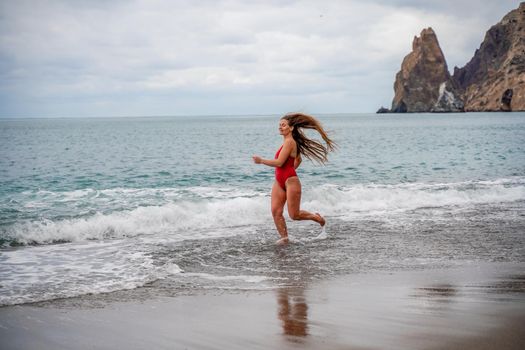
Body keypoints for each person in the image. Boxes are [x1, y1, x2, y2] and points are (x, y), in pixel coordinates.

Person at [252, 113, 336, 244]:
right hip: (280, 181)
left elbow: (279, 162)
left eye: (283, 125)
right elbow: (298, 159)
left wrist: (262, 160)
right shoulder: (287, 142)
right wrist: (288, 170)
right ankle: (285, 239)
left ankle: (317, 218)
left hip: (290, 182)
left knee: (294, 215)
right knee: (276, 211)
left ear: (291, 128)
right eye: (279, 125)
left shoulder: (290, 142)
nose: (280, 127)